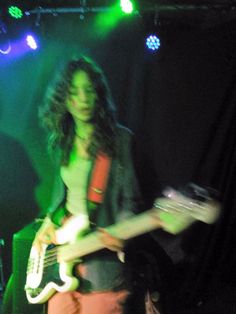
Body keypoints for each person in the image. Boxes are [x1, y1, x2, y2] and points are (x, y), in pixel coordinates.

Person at [33, 56, 155, 314]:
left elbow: (131, 202)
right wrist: (46, 226)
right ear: (64, 99)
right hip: (62, 257)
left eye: (89, 89)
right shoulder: (61, 142)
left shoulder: (121, 140)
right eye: (74, 91)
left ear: (98, 94)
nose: (83, 98)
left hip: (102, 262)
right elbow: (60, 198)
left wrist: (122, 233)